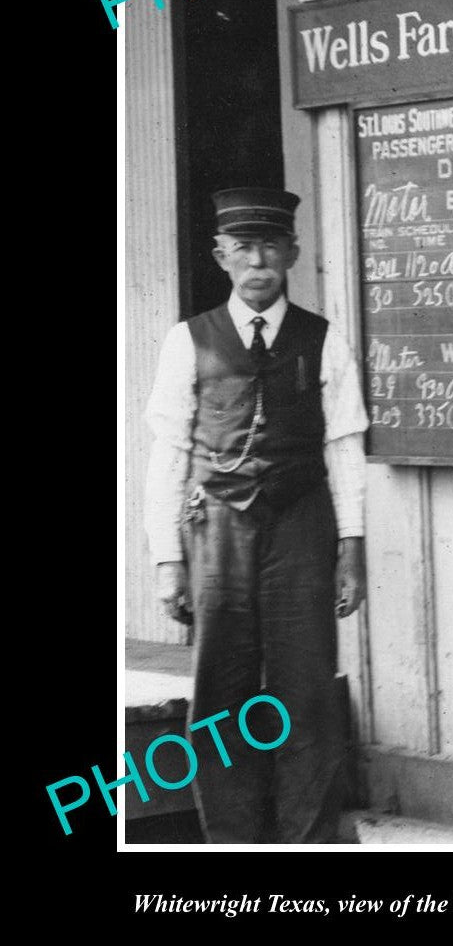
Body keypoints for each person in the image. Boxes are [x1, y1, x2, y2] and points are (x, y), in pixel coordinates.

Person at [143, 187, 369, 843]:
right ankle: (234, 841)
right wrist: (166, 561)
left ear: (292, 252)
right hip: (217, 534)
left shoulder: (323, 341)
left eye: (272, 245)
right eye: (244, 247)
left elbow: (344, 448)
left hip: (302, 529)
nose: (259, 260)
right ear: (221, 256)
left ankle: (305, 840)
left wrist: (350, 551)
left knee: (307, 692)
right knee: (222, 696)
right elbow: (169, 456)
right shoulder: (190, 342)